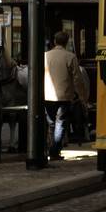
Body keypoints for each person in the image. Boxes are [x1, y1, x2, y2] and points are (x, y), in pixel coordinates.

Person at [44, 31, 87, 160]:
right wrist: (82, 96)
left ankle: (51, 148)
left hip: (47, 95)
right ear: (67, 42)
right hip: (64, 96)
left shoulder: (45, 56)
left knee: (51, 123)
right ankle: (54, 151)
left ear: (54, 41)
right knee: (60, 124)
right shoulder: (70, 57)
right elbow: (77, 79)